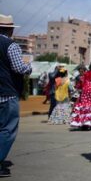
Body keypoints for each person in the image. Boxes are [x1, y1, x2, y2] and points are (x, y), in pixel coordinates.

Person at [0, 14, 32, 178]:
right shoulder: (10, 45)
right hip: (6, 93)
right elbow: (19, 68)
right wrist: (29, 67)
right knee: (7, 129)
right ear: (10, 29)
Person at [70, 58, 91, 129]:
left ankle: (84, 122)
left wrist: (81, 88)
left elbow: (82, 82)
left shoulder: (87, 73)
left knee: (85, 106)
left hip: (85, 91)